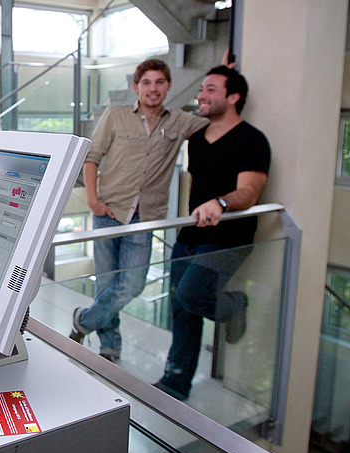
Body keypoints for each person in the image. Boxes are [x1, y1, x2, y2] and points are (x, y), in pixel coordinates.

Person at [69, 59, 209, 362]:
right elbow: (91, 157)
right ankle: (110, 346)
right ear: (136, 87)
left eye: (160, 82)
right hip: (108, 212)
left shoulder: (180, 121)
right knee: (107, 283)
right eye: (146, 82)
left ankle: (83, 320)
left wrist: (225, 75)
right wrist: (93, 200)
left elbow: (217, 123)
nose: (153, 88)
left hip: (144, 218)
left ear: (169, 86)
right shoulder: (116, 115)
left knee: (132, 284)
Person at [153, 66, 271, 401]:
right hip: (190, 235)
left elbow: (250, 191)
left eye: (211, 89)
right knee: (181, 308)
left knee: (191, 295)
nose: (202, 95)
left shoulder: (252, 140)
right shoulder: (197, 138)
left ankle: (235, 305)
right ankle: (175, 384)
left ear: (233, 97)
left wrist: (220, 202)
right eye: (202, 88)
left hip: (229, 238)